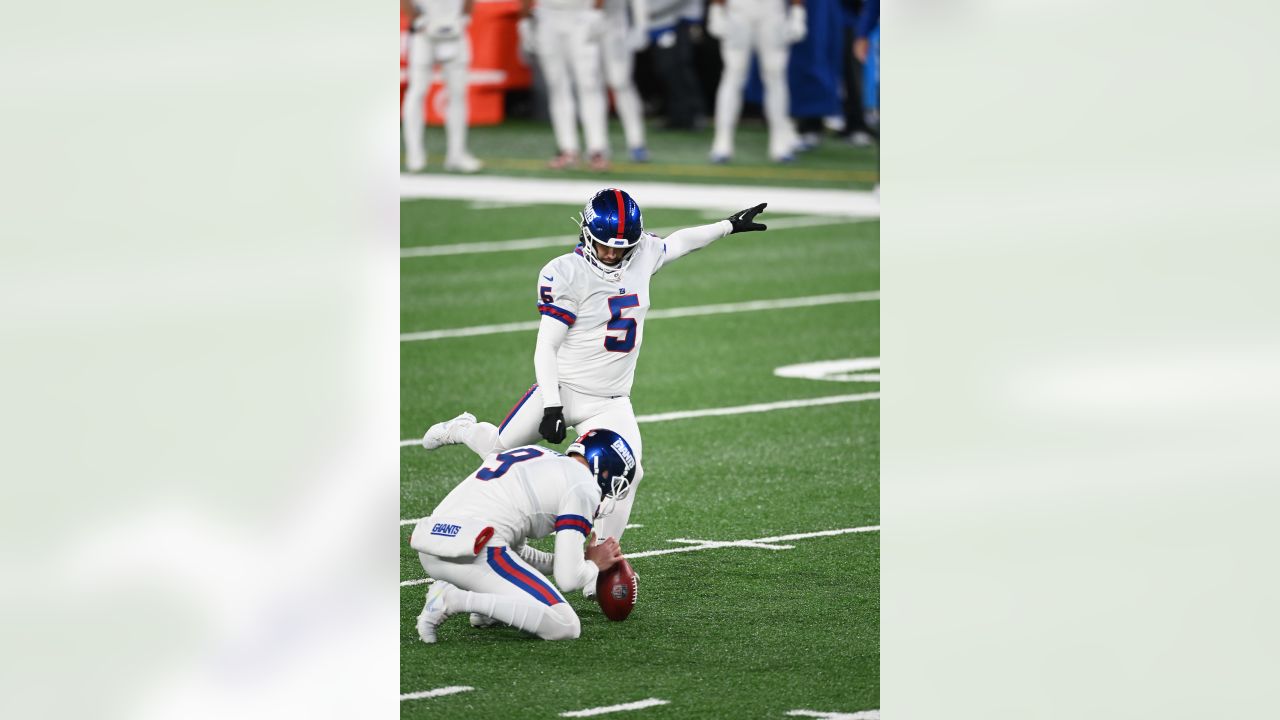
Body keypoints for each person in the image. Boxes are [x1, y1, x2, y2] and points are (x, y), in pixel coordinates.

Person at [421, 188, 769, 542]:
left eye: (621, 247)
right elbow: (546, 345)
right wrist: (552, 405)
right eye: (605, 245)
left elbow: (679, 243)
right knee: (496, 451)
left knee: (628, 474)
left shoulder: (642, 253)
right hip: (565, 388)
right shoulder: (566, 273)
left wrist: (728, 226)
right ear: (586, 233)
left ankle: (602, 557)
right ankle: (463, 429)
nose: (612, 253)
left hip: (612, 399)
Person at [413, 429, 636, 643]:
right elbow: (568, 580)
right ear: (603, 469)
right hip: (474, 550)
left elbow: (516, 553)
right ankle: (453, 599)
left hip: (433, 546)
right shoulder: (584, 486)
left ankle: (488, 607)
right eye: (615, 481)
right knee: (565, 625)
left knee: (506, 565)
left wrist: (582, 561)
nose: (610, 492)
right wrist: (594, 565)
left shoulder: (538, 455)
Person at [706, 0, 808, 163]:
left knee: (775, 73)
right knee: (733, 72)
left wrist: (798, 12)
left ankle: (780, 141)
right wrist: (716, 9)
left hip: (772, 10)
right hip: (739, 9)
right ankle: (722, 140)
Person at [518, 0, 611, 171]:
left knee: (589, 84)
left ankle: (597, 148)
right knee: (557, 86)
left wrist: (596, 10)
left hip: (581, 13)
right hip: (547, 14)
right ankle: (567, 148)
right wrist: (524, 19)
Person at [401, 0, 484, 173]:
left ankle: (457, 153)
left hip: (454, 30)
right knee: (417, 91)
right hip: (424, 32)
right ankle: (414, 154)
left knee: (458, 93)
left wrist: (465, 17)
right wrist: (417, 20)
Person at [602, 0, 650, 162]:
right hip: (578, 23)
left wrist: (641, 24)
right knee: (589, 85)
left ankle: (636, 142)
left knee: (620, 81)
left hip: (615, 24)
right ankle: (597, 146)